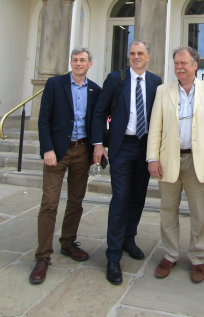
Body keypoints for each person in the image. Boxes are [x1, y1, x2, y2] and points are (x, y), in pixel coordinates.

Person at [147, 46, 204, 283]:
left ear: (195, 65)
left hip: (196, 161)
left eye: (184, 63)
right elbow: (155, 127)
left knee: (199, 213)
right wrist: (153, 158)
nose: (179, 67)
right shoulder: (163, 90)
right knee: (168, 211)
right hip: (168, 159)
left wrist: (199, 142)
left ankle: (198, 259)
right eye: (176, 63)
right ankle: (170, 254)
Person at [91, 40, 162, 285]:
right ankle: (112, 257)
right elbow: (100, 111)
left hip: (145, 148)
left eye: (140, 53)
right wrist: (98, 143)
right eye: (132, 53)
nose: (135, 57)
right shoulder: (115, 78)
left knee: (138, 198)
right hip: (121, 147)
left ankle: (128, 239)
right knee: (120, 198)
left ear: (148, 57)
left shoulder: (156, 82)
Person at [29, 47, 101, 284]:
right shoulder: (55, 84)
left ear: (90, 64)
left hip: (82, 151)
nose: (78, 63)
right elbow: (43, 120)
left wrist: (96, 149)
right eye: (75, 60)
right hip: (57, 153)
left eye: (82, 60)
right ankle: (42, 257)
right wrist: (47, 149)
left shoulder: (95, 90)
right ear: (71, 62)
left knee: (76, 201)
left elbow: (97, 122)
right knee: (49, 203)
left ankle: (68, 243)